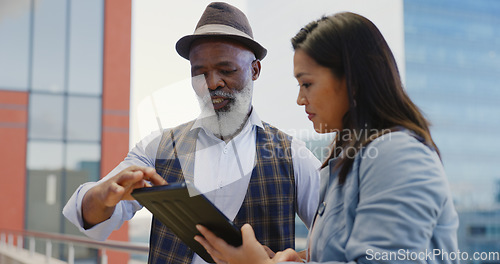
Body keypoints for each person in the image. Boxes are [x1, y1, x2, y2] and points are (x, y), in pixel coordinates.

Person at [62, 2, 321, 264]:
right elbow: (89, 213)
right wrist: (102, 195)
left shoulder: (293, 156)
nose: (212, 83)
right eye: (200, 73)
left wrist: (290, 260)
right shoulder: (157, 148)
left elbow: (343, 241)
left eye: (226, 70)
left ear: (255, 70)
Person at [194, 12, 460, 264]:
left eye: (307, 83)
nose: (300, 99)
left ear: (352, 80)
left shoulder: (398, 156)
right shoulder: (346, 161)